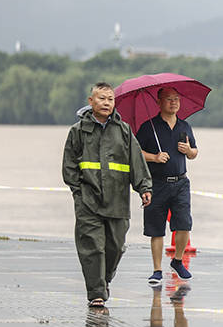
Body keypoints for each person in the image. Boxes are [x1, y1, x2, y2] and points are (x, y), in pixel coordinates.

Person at [62, 82, 152, 308]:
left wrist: (144, 188)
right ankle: (96, 293)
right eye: (101, 98)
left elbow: (136, 162)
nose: (106, 103)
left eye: (110, 99)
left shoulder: (124, 131)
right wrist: (78, 193)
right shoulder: (78, 131)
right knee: (92, 247)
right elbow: (69, 166)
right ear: (91, 101)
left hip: (117, 201)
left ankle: (103, 281)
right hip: (88, 201)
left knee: (115, 247)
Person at [136, 87, 198, 284]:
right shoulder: (149, 127)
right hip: (156, 183)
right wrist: (154, 157)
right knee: (156, 229)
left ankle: (177, 261)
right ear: (159, 102)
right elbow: (135, 153)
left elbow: (195, 152)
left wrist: (189, 151)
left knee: (184, 224)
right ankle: (156, 270)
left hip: (180, 182)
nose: (174, 102)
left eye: (177, 99)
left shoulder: (184, 126)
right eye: (169, 99)